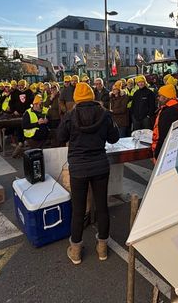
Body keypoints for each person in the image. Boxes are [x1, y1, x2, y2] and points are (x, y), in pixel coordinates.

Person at [58, 82, 119, 265]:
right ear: (92, 96)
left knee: (78, 209)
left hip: (78, 168)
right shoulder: (104, 114)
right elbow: (114, 137)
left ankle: (75, 249)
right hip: (100, 166)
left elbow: (60, 137)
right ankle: (102, 247)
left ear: (76, 98)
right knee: (102, 206)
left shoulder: (70, 116)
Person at [152, 85, 178, 160]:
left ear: (166, 97)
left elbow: (163, 135)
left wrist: (157, 153)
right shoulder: (176, 107)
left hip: (166, 151)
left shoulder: (168, 112)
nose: (158, 98)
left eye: (160, 96)